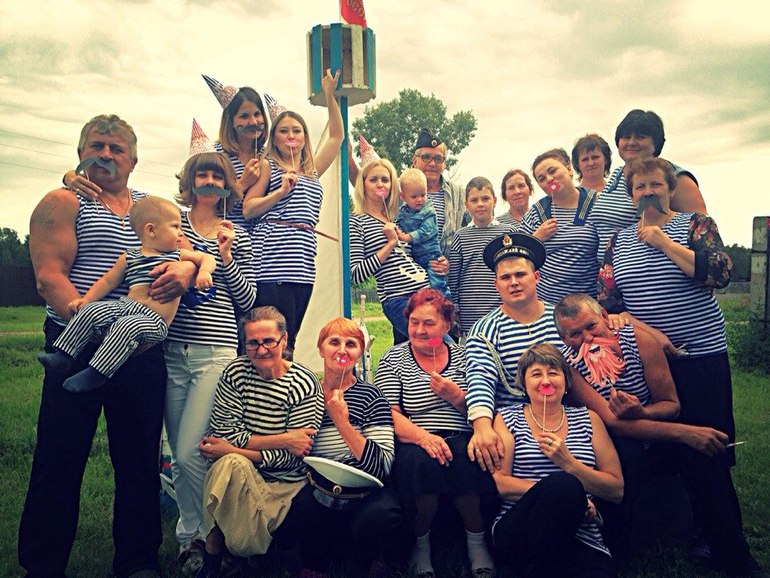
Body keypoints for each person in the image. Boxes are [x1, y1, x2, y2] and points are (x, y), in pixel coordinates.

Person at [20, 114, 195, 578]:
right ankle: (42, 564)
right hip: (76, 343)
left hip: (140, 348)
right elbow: (49, 276)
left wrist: (187, 269)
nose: (106, 154)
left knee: (138, 460)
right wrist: (89, 323)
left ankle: (138, 562)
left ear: (133, 160)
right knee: (60, 457)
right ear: (81, 153)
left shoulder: (153, 207)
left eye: (117, 148)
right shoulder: (63, 200)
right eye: (97, 145)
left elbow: (191, 247)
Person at [597, 157, 766, 577]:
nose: (648, 193)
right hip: (650, 363)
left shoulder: (695, 225)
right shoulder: (617, 241)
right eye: (640, 187)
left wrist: (663, 243)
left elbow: (718, 274)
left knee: (710, 450)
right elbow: (610, 305)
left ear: (670, 189)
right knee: (658, 445)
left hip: (701, 357)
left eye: (656, 185)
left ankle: (732, 554)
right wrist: (651, 336)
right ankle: (662, 534)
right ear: (631, 195)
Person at [553, 293, 738, 553]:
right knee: (629, 453)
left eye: (591, 326)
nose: (587, 338)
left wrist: (643, 411)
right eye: (575, 334)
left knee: (705, 456)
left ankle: (730, 550)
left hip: (654, 434)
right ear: (563, 339)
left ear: (604, 316)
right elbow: (612, 422)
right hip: (614, 441)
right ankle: (617, 547)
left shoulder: (640, 341)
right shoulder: (568, 365)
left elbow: (671, 404)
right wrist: (685, 433)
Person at [166, 130, 258, 574]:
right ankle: (190, 539)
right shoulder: (173, 224)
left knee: (191, 451)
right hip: (171, 348)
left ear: (227, 185)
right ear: (190, 181)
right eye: (202, 175)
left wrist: (225, 257)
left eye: (217, 176)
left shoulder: (235, 233)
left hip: (214, 350)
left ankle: (211, 536)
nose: (209, 182)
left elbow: (248, 299)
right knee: (176, 454)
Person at [37, 196, 216, 393]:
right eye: (175, 227)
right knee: (90, 311)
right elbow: (107, 281)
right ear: (151, 230)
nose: (181, 233)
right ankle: (64, 355)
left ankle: (97, 372)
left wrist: (204, 272)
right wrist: (86, 300)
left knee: (126, 325)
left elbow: (206, 258)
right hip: (126, 306)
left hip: (154, 320)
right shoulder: (130, 256)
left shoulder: (177, 255)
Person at [376, 288, 497, 578]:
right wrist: (423, 437)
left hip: (461, 431)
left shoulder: (465, 356)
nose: (420, 330)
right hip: (414, 436)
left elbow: (483, 406)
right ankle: (421, 545)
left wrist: (456, 397)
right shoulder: (393, 358)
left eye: (429, 323)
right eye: (414, 322)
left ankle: (477, 542)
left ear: (446, 325)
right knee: (422, 464)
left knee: (465, 457)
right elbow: (389, 414)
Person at [195, 306, 323, 577]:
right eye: (252, 343)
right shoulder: (236, 372)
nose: (261, 350)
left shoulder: (304, 383)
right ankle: (216, 555)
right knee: (228, 464)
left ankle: (225, 554)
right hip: (239, 474)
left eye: (269, 341)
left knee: (228, 461)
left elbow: (296, 455)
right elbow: (225, 433)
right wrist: (285, 438)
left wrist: (233, 450)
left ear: (284, 341)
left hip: (285, 483)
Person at [491, 343, 623, 578]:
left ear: (566, 381)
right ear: (523, 383)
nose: (546, 381)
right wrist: (568, 497)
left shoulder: (589, 419)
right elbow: (500, 483)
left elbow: (616, 490)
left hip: (580, 532)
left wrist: (569, 463)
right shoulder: (508, 418)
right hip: (520, 529)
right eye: (536, 374)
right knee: (564, 486)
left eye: (553, 373)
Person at [286, 317, 400, 577]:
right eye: (334, 342)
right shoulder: (305, 394)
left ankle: (368, 556)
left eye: (351, 344)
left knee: (382, 515)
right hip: (318, 487)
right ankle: (316, 561)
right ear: (320, 349)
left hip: (363, 491)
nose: (342, 350)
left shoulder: (371, 396)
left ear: (360, 353)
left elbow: (381, 466)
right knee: (302, 509)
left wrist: (341, 422)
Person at [241, 69, 343, 354]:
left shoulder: (312, 170)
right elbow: (248, 209)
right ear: (274, 138)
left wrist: (329, 96)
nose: (290, 135)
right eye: (284, 131)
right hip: (272, 262)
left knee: (290, 339)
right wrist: (280, 192)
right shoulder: (268, 166)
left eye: (296, 130)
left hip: (303, 263)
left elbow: (336, 137)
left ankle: (285, 380)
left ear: (304, 136)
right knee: (270, 338)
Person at [464, 233, 563, 474]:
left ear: (536, 276)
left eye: (520, 274)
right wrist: (482, 427)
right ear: (496, 284)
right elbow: (480, 378)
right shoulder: (485, 329)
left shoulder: (561, 319)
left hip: (564, 417)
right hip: (512, 427)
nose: (514, 282)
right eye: (505, 277)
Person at [591, 109, 708, 262]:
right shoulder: (616, 175)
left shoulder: (675, 177)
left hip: (655, 268)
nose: (632, 142)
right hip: (614, 271)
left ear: (655, 143)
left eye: (640, 137)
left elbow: (702, 234)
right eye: (626, 137)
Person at [350, 158, 429, 344]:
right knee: (434, 343)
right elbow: (356, 274)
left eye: (385, 180)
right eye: (373, 179)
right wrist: (390, 243)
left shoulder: (400, 217)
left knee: (410, 351)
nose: (380, 184)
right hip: (398, 299)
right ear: (363, 184)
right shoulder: (357, 221)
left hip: (425, 293)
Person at [519, 148, 600, 304]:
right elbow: (518, 258)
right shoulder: (535, 213)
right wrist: (536, 239)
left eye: (553, 171)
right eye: (542, 178)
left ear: (569, 169)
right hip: (548, 305)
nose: (549, 179)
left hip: (589, 303)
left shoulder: (596, 203)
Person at [200, 74, 272, 231]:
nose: (253, 122)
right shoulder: (216, 156)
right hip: (224, 236)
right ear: (231, 121)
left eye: (257, 114)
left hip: (264, 241)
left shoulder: (270, 156)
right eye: (244, 116)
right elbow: (204, 204)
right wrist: (242, 184)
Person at [448, 176, 513, 335]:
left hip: (504, 310)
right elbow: (454, 278)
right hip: (470, 313)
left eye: (485, 198)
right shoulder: (460, 236)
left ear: (494, 200)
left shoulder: (508, 232)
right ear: (466, 205)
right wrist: (455, 310)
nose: (480, 204)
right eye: (474, 200)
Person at [396, 168, 450, 297]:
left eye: (423, 194)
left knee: (437, 284)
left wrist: (407, 237)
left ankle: (446, 302)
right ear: (403, 196)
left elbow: (426, 231)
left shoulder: (429, 211)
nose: (420, 199)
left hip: (431, 256)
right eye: (414, 196)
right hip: (414, 258)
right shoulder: (402, 212)